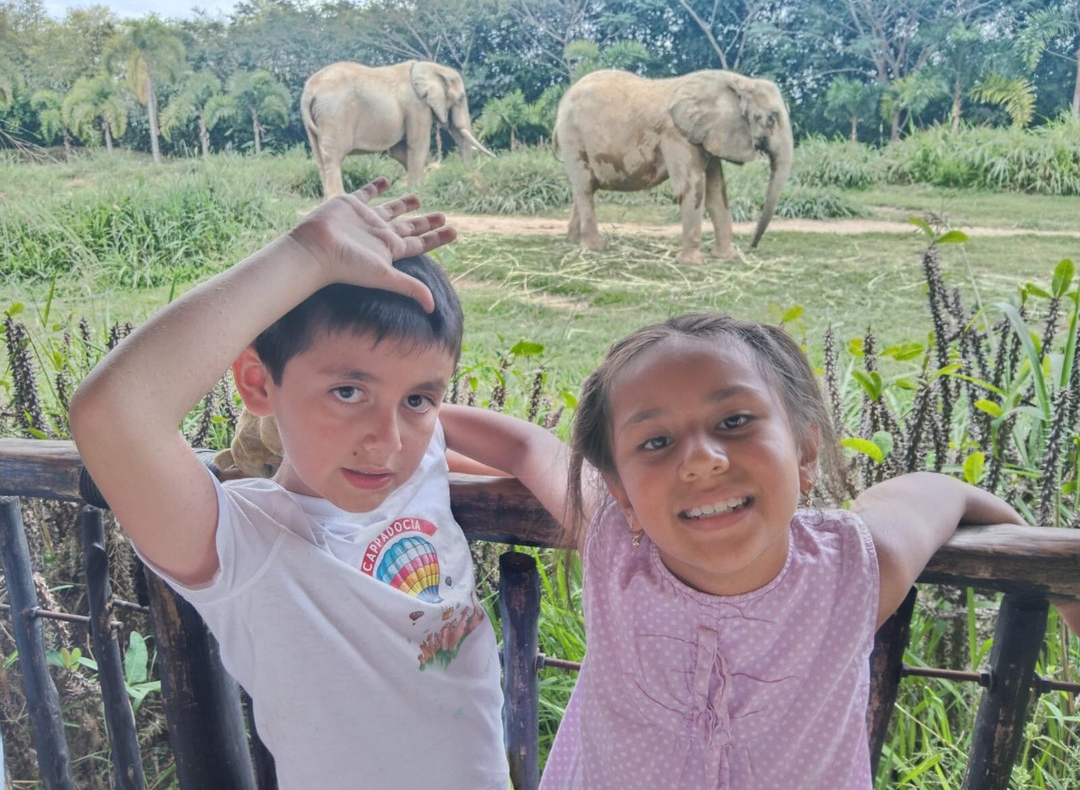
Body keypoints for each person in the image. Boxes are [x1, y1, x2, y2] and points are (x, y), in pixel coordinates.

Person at [69, 179, 567, 790]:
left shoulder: (419, 453)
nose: (385, 440)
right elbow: (113, 414)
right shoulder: (241, 548)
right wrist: (305, 255)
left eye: (417, 397)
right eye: (348, 392)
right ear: (258, 383)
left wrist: (611, 521)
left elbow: (523, 445)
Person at [537, 313, 1028, 790]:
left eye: (733, 421)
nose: (702, 461)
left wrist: (1049, 570)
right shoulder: (615, 543)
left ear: (805, 452)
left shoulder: (849, 572)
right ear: (621, 492)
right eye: (657, 441)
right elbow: (524, 448)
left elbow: (938, 494)